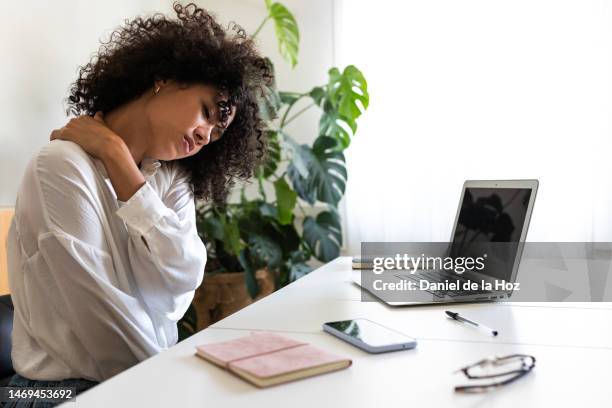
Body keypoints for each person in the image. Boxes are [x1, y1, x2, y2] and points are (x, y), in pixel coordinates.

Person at [5, 2, 270, 405]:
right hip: (56, 391)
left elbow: (180, 284)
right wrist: (175, 384)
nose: (204, 136)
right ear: (164, 79)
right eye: (206, 112)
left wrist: (117, 158)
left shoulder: (170, 178)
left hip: (140, 378)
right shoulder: (59, 167)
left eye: (215, 134)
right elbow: (101, 327)